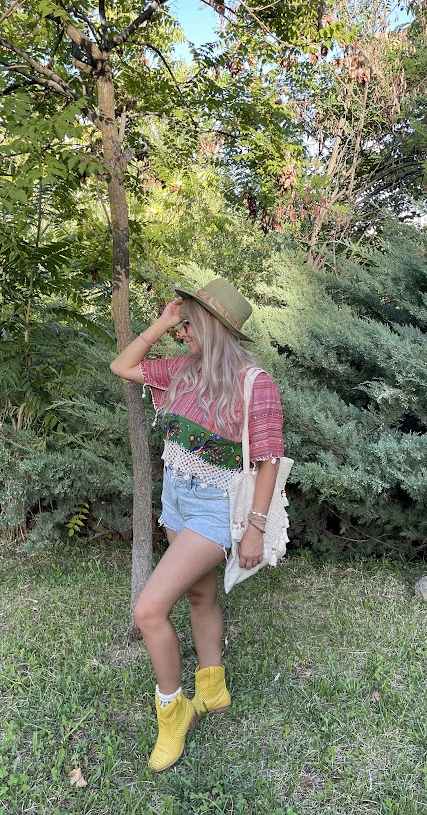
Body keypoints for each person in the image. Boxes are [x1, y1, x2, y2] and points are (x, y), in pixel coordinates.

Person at [110, 278, 284, 772]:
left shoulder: (256, 383)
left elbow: (270, 459)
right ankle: (213, 687)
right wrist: (161, 321)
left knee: (148, 609)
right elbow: (121, 365)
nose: (180, 332)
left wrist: (254, 528)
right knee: (200, 595)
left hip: (215, 506)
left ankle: (173, 710)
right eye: (179, 323)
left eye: (187, 324)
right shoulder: (180, 371)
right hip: (176, 498)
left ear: (211, 326)